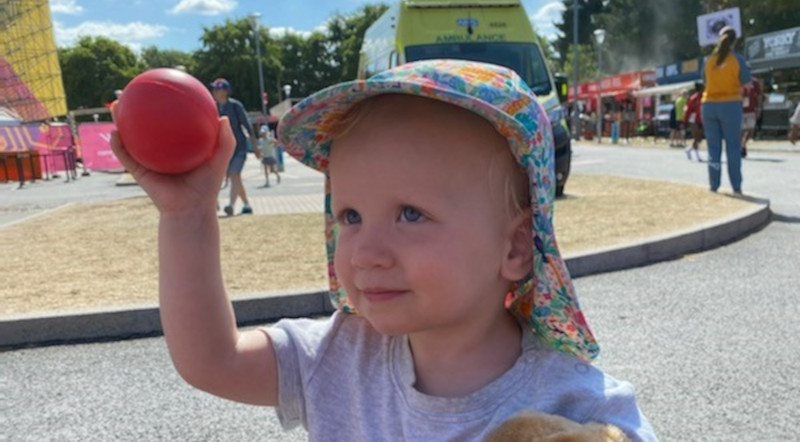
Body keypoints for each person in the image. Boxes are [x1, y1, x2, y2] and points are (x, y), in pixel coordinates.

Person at [110, 60, 657, 441]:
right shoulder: (338, 358)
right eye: (350, 216)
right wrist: (186, 216)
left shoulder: (578, 409)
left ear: (515, 246)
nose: (366, 251)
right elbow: (213, 360)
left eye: (411, 214)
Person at [701, 26, 752, 194]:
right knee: (733, 147)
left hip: (708, 105)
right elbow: (747, 84)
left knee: (713, 148)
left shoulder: (709, 60)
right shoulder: (737, 59)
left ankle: (713, 185)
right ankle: (736, 187)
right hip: (730, 105)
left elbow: (705, 82)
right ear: (734, 41)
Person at [210, 78, 259, 215]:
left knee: (234, 174)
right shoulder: (212, 107)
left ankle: (230, 205)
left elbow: (247, 126)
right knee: (232, 177)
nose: (214, 91)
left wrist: (255, 147)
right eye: (213, 88)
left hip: (239, 147)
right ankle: (247, 205)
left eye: (217, 89)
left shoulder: (235, 106)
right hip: (222, 149)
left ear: (225, 91)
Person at [740, 78, 761, 158]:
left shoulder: (755, 82)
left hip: (751, 109)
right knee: (741, 130)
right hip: (740, 109)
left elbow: (759, 95)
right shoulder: (737, 80)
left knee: (750, 129)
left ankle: (743, 144)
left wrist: (759, 107)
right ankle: (742, 147)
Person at [683, 82, 704, 162]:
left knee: (699, 138)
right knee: (696, 136)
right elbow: (688, 111)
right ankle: (698, 155)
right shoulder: (693, 98)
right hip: (692, 119)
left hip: (700, 119)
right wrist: (685, 121)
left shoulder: (704, 97)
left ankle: (689, 149)